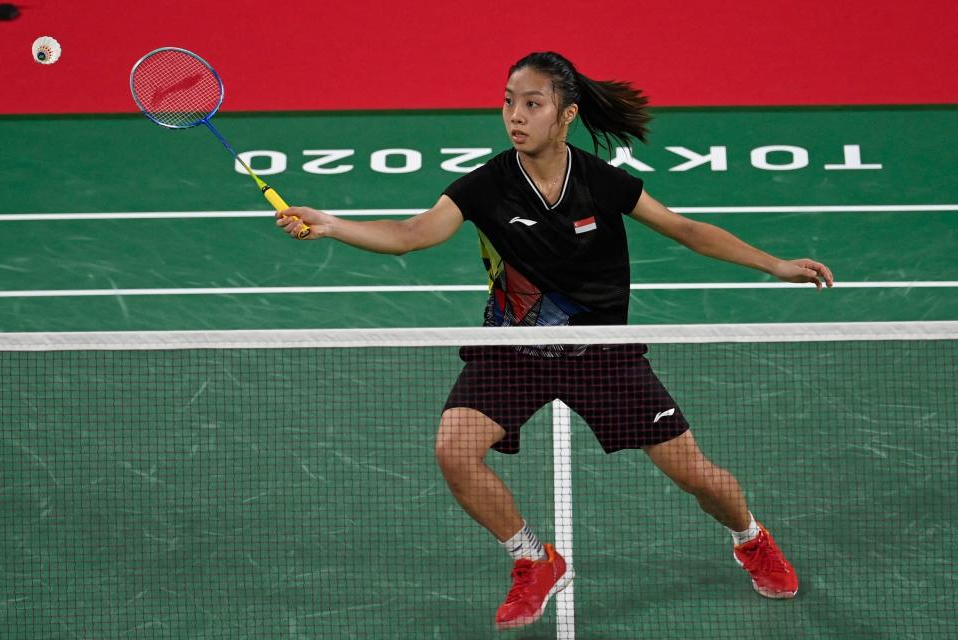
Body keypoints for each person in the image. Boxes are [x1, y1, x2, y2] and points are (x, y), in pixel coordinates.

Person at [277, 51, 833, 631]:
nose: (515, 115)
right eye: (508, 101)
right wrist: (334, 224)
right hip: (514, 353)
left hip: (604, 357)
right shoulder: (486, 186)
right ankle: (533, 558)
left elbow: (686, 230)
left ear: (565, 115)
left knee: (697, 475)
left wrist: (775, 264)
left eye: (532, 104)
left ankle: (750, 538)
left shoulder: (599, 182)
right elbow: (413, 234)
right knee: (454, 449)